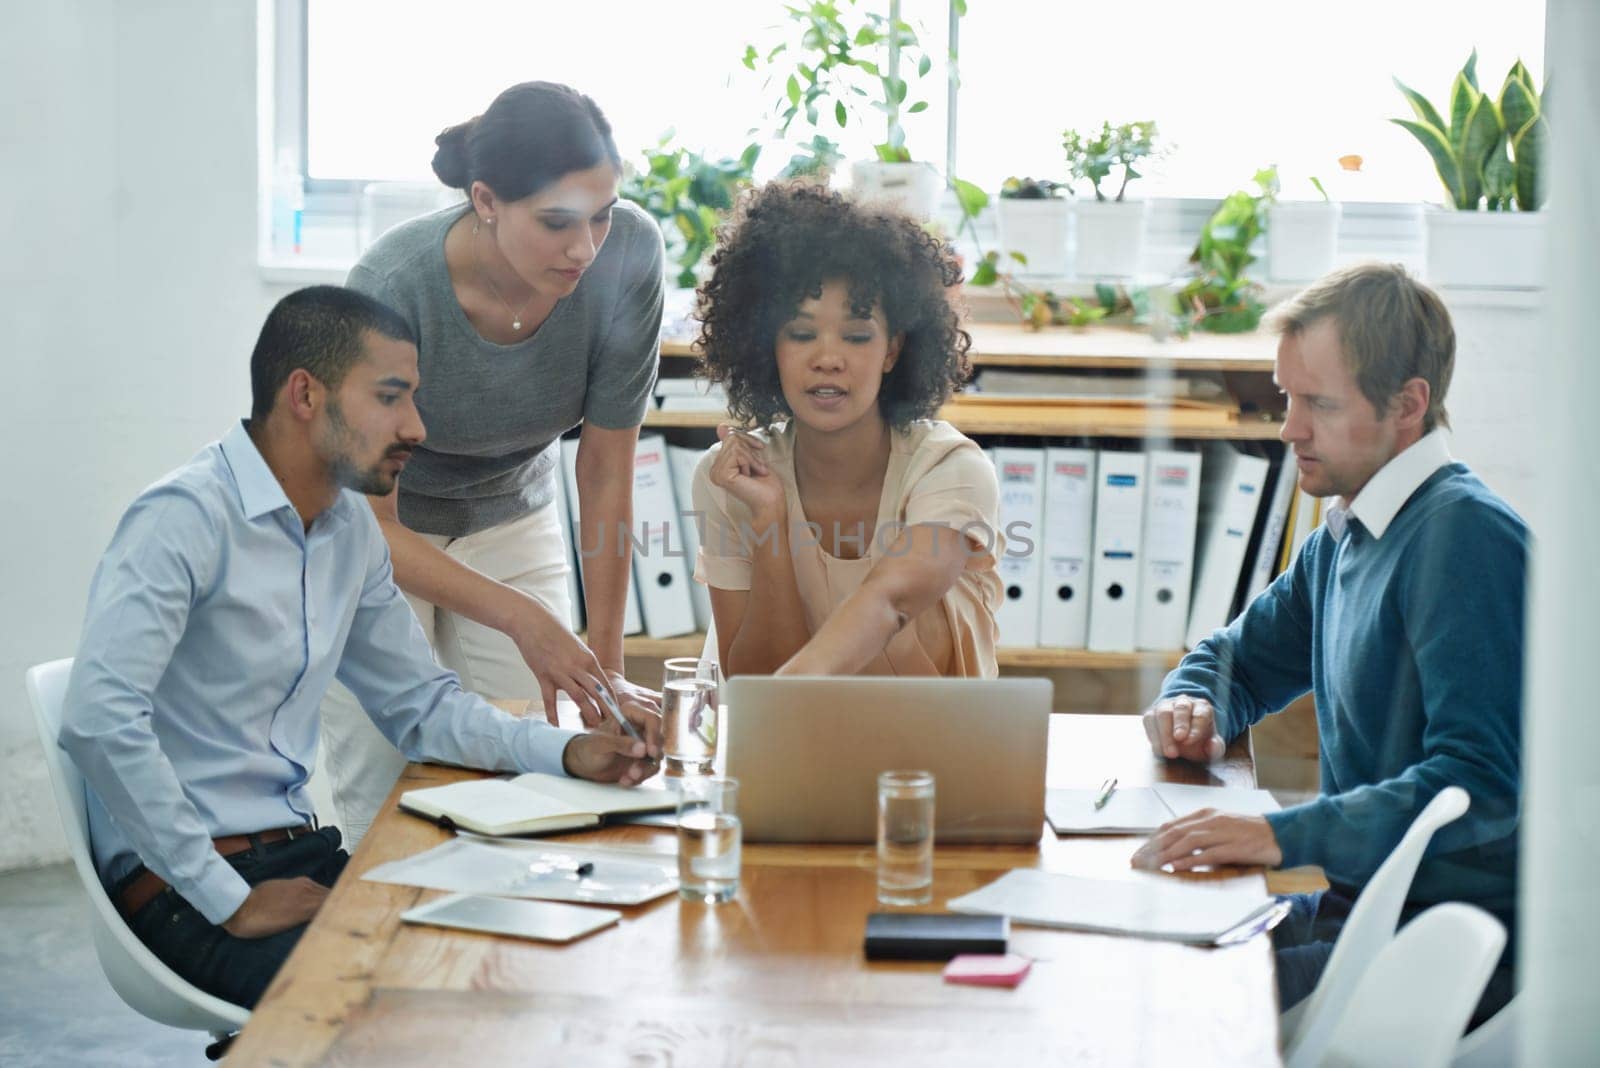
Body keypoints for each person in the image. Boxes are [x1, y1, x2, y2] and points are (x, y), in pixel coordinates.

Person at [58, 287, 658, 1010]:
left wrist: (565, 751)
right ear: (305, 394)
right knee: (415, 1004)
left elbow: (422, 707)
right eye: (390, 397)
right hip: (187, 889)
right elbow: (97, 718)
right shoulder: (182, 520)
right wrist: (227, 900)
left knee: (516, 958)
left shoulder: (347, 533)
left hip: (298, 856)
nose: (415, 425)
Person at [1130, 263, 1525, 1025]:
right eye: (1287, 398)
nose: (1289, 429)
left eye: (1319, 403)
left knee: (1168, 998)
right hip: (1355, 909)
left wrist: (1275, 832)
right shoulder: (1346, 533)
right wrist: (1192, 700)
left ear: (1407, 404)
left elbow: (1479, 782)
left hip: (1443, 950)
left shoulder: (1465, 539)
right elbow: (1236, 657)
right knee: (1140, 950)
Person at [322, 81, 666, 845]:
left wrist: (602, 672)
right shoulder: (391, 289)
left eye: (602, 215)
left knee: (541, 775)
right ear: (485, 200)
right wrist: (526, 617)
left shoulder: (629, 256)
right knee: (385, 800)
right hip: (379, 532)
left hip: (511, 512)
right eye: (557, 224)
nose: (586, 247)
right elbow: (372, 526)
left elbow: (607, 469)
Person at [689, 181, 1002, 677]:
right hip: (796, 747)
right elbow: (753, 682)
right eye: (801, 333)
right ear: (768, 345)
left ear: (893, 350)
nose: (828, 360)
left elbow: (890, 602)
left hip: (934, 748)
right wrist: (770, 517)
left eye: (857, 336)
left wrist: (785, 692)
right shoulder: (732, 477)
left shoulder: (949, 469)